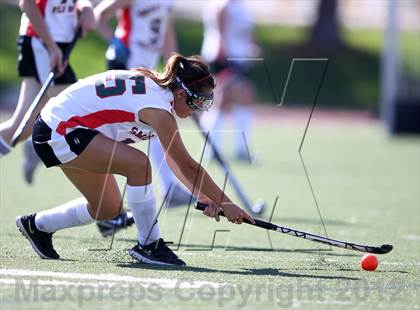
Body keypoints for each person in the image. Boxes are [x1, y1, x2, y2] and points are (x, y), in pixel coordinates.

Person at [15, 54, 255, 266]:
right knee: (139, 164)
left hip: (63, 128)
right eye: (198, 102)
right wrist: (226, 203)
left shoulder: (160, 93)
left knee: (106, 208)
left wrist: (206, 197)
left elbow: (176, 163)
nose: (199, 109)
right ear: (181, 93)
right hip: (60, 129)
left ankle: (37, 225)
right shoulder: (160, 110)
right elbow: (187, 166)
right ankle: (150, 244)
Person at [93, 0, 193, 237]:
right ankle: (107, 210)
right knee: (111, 136)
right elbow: (98, 16)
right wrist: (115, 42)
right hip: (125, 67)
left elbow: (167, 35)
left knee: (156, 127)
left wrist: (178, 72)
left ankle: (168, 188)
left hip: (145, 70)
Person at [0, 0, 95, 183]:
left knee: (23, 126)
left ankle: (36, 141)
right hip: (41, 43)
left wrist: (86, 8)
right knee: (76, 115)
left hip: (55, 45)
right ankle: (108, 205)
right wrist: (51, 47)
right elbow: (27, 4)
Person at [201, 0, 260, 161]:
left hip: (240, 60)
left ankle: (238, 149)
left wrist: (252, 47)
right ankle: (213, 149)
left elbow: (246, 32)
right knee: (222, 99)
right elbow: (219, 32)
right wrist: (223, 56)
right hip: (226, 59)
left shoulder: (241, 6)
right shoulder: (223, 5)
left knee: (242, 99)